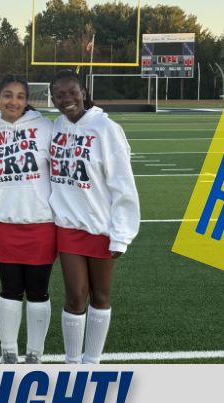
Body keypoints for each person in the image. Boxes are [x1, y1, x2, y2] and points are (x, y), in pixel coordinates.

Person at [48, 70, 140, 364]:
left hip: (101, 228)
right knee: (75, 297)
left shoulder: (106, 128)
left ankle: (92, 362)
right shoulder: (55, 127)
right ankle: (72, 363)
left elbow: (123, 184)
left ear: (84, 92)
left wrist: (121, 234)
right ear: (52, 99)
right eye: (59, 95)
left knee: (100, 296)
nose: (67, 99)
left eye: (72, 92)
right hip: (68, 227)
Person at [0, 75, 56, 364]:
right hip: (3, 221)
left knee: (38, 292)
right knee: (10, 291)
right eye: (8, 95)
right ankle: (9, 352)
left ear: (27, 100)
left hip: (41, 222)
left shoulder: (45, 127)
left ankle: (35, 354)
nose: (14, 101)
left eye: (20, 96)